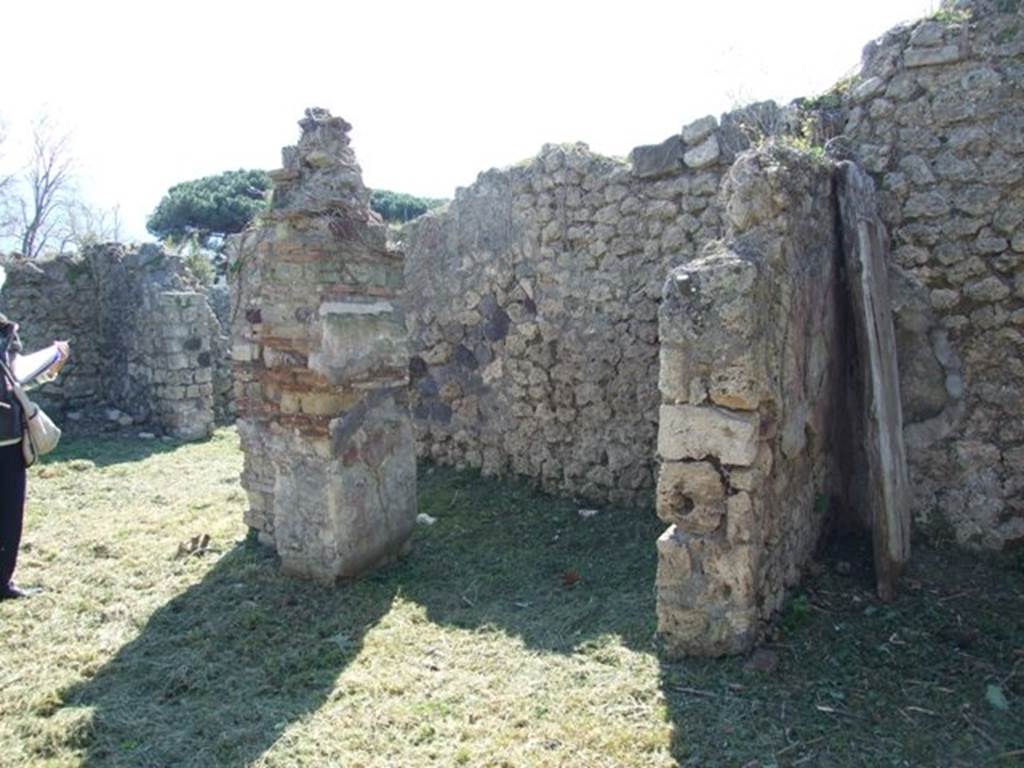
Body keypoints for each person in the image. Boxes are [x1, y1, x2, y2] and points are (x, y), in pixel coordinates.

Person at [0, 313, 69, 600]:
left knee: (9, 516)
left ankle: (2, 581)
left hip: (9, 440)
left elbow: (18, 377)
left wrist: (54, 362)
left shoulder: (5, 332)